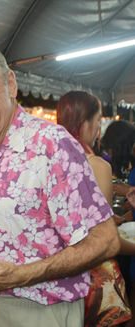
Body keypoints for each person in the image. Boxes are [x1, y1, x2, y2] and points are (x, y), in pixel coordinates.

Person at [0, 42, 120, 327]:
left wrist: (23, 274)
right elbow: (21, 223)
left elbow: (106, 240)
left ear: (10, 84)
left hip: (36, 311)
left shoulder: (50, 144)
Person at [57, 90, 132, 326]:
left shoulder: (48, 162)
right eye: (98, 121)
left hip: (59, 273)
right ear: (85, 124)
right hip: (93, 277)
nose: (99, 129)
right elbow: (106, 241)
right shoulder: (97, 166)